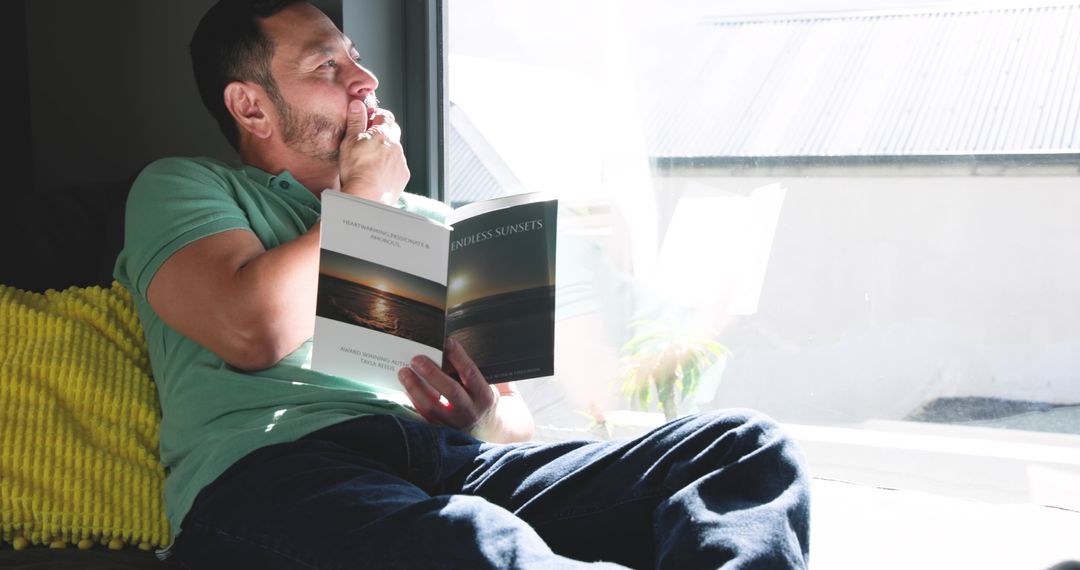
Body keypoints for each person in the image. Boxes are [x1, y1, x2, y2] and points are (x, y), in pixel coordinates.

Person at [113, 0, 812, 567]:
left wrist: (478, 415)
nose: (365, 80)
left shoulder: (435, 222)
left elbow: (514, 424)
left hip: (448, 459)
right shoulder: (187, 187)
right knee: (475, 541)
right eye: (327, 65)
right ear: (251, 107)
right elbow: (249, 329)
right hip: (278, 476)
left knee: (743, 449)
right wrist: (365, 200)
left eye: (356, 56)